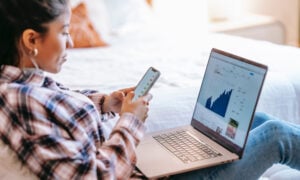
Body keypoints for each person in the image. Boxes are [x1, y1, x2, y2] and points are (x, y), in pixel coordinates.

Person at [0, 0, 300, 180]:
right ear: (31, 40)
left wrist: (107, 102)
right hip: (135, 173)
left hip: (143, 167)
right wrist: (130, 121)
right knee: (275, 137)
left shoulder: (21, 84)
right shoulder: (21, 99)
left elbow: (58, 104)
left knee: (257, 120)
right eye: (64, 32)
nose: (72, 42)